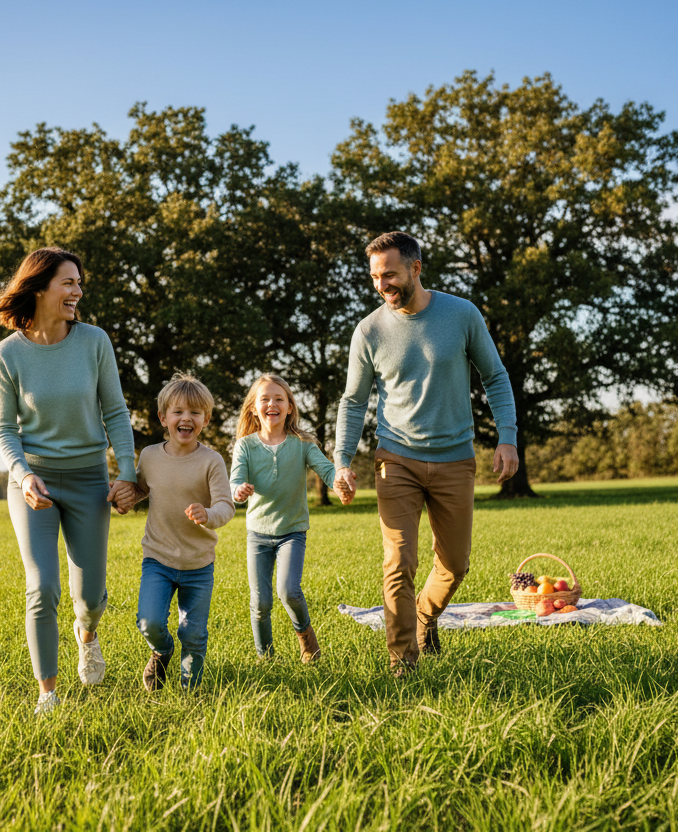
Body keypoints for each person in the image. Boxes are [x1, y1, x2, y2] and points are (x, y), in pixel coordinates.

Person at [334, 232, 518, 676]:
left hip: (455, 458)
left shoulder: (461, 314)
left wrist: (507, 436)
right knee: (398, 562)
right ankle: (403, 662)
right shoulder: (370, 331)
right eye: (375, 277)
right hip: (395, 459)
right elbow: (353, 401)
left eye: (390, 274)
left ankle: (423, 616)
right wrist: (342, 459)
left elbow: (494, 376)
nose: (382, 285)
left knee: (455, 564)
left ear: (416, 268)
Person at [0, 247, 137, 714]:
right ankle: (46, 694)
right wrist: (23, 474)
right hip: (35, 485)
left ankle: (86, 634)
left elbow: (114, 411)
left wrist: (126, 474)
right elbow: (4, 428)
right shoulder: (7, 354)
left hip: (89, 478)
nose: (77, 291)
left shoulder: (94, 341)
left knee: (89, 597)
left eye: (78, 283)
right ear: (40, 287)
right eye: (68, 283)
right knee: (42, 586)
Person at [130, 373, 234, 690]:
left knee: (193, 632)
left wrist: (208, 514)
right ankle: (161, 651)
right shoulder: (149, 456)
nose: (186, 418)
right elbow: (141, 489)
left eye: (195, 413)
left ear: (205, 419)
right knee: (149, 621)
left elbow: (226, 506)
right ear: (163, 418)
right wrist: (124, 496)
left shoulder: (211, 461)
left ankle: (190, 689)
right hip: (158, 559)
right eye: (178, 412)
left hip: (198, 563)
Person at [230, 374, 342, 663]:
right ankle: (265, 658)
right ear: (253, 408)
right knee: (260, 602)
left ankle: (307, 639)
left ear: (290, 407)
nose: (272, 403)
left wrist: (339, 480)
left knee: (289, 590)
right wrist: (239, 490)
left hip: (292, 531)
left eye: (279, 398)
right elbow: (235, 481)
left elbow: (327, 471)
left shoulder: (302, 443)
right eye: (264, 398)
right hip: (258, 534)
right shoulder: (245, 446)